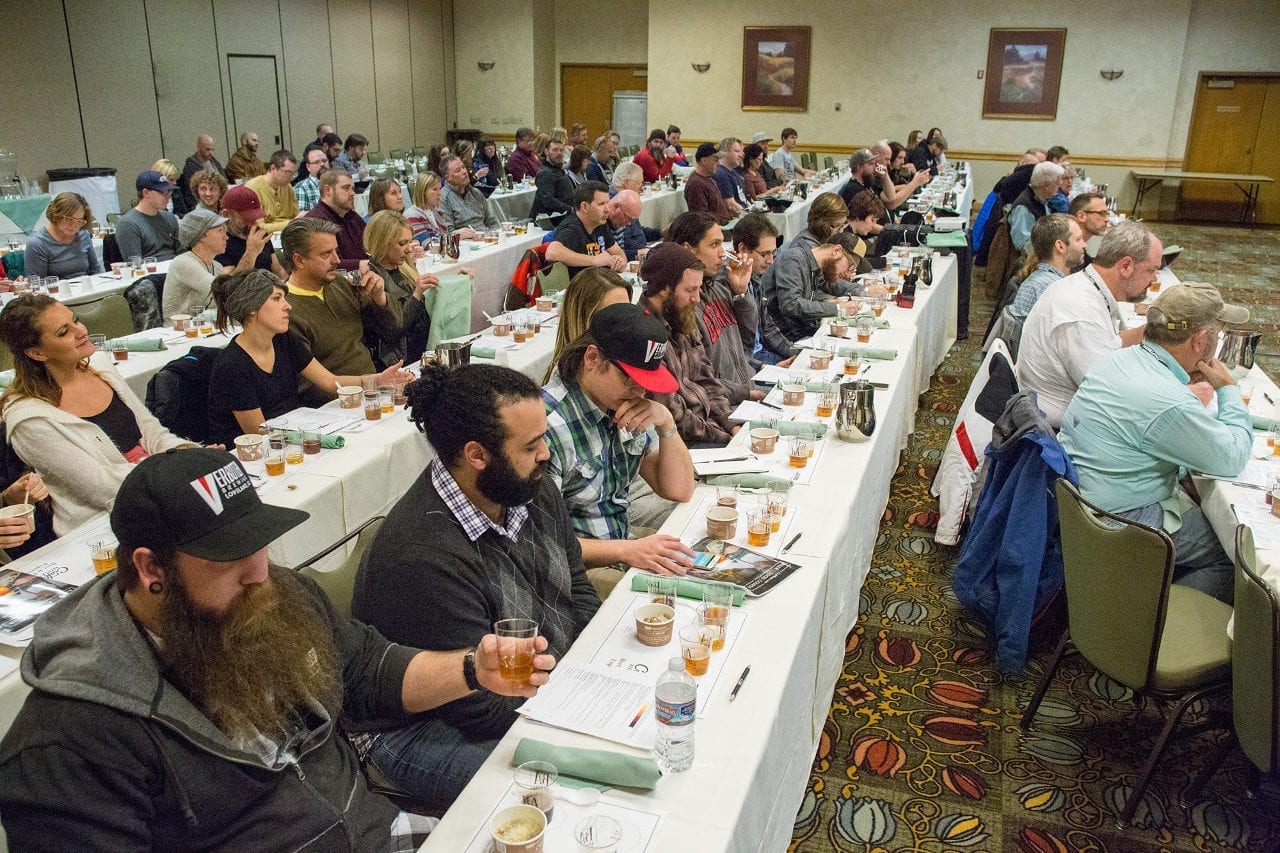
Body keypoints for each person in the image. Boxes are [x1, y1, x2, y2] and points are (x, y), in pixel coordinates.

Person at [0, 447, 557, 851]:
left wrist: (471, 670)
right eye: (230, 554)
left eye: (261, 542)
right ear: (150, 569)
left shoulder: (275, 597)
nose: (261, 572)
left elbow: (367, 671)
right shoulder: (67, 745)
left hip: (381, 835)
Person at [351, 364, 599, 810]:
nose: (546, 454)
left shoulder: (525, 484)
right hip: (422, 728)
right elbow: (479, 707)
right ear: (477, 455)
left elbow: (577, 588)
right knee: (565, 797)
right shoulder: (421, 555)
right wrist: (577, 705)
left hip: (537, 687)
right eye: (531, 445)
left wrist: (584, 681)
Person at [1060, 282, 1252, 604]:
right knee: (1238, 555)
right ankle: (1149, 621)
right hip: (1120, 527)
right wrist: (1228, 389)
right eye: (1217, 334)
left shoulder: (1120, 360)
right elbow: (1232, 456)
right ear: (1200, 341)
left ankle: (1149, 591)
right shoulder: (1167, 400)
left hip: (1083, 514)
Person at [0, 295, 194, 534]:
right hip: (105, 528)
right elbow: (104, 487)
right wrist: (181, 470)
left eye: (76, 321)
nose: (81, 331)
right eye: (64, 332)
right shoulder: (28, 418)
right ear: (36, 353)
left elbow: (153, 433)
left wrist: (190, 453)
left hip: (163, 490)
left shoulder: (101, 367)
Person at [543, 301, 696, 586]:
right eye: (630, 378)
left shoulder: (625, 405)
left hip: (621, 547)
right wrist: (628, 550)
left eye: (647, 381)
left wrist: (666, 423)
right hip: (574, 571)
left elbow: (679, 489)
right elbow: (545, 543)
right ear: (592, 358)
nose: (639, 391)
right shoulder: (547, 425)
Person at [206, 269, 411, 446]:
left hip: (292, 435)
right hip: (258, 455)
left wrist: (377, 380)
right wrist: (318, 438)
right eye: (277, 298)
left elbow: (330, 382)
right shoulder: (232, 366)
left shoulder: (284, 340)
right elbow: (260, 433)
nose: (288, 306)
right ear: (251, 308)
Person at [1017, 221, 1160, 428]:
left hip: (1061, 410)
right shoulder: (1080, 309)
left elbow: (1106, 347)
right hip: (1059, 429)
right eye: (1151, 270)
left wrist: (1149, 332)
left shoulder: (1085, 286)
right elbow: (1107, 393)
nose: (1154, 278)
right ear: (1126, 266)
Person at [280, 217, 404, 404]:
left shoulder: (341, 284)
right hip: (333, 403)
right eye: (325, 254)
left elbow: (393, 329)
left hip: (374, 388)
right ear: (299, 260)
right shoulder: (285, 310)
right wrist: (373, 383)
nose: (337, 260)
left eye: (336, 251)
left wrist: (380, 298)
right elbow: (309, 386)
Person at [640, 243, 738, 446]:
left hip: (709, 428)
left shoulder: (681, 315)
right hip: (681, 441)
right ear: (665, 288)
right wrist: (725, 437)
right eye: (691, 290)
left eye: (699, 288)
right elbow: (673, 414)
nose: (697, 298)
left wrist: (731, 424)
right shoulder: (644, 335)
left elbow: (707, 380)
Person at [667, 211, 760, 406]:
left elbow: (748, 338)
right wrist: (746, 393)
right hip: (723, 406)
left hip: (745, 393)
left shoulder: (719, 288)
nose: (722, 253)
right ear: (688, 249)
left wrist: (741, 292)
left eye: (722, 244)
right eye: (714, 244)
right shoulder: (682, 304)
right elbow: (695, 381)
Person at [761, 193, 861, 344]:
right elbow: (790, 305)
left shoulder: (816, 247)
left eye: (843, 226)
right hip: (785, 333)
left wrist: (857, 291)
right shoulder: (797, 255)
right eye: (838, 226)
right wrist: (837, 307)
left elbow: (820, 283)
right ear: (824, 224)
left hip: (796, 327)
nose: (841, 231)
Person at [365, 210, 437, 365]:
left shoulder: (404, 268)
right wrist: (417, 294)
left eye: (409, 242)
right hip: (400, 360)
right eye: (402, 244)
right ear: (382, 243)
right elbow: (393, 330)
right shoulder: (372, 280)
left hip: (421, 349)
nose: (409, 249)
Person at [543, 267, 632, 383]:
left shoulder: (626, 354)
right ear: (584, 318)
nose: (625, 322)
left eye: (628, 311)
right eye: (613, 315)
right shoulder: (567, 379)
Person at [731, 212, 790, 365]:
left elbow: (768, 329)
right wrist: (765, 368)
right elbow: (733, 352)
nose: (770, 261)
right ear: (742, 249)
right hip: (751, 364)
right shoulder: (726, 288)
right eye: (765, 254)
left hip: (763, 355)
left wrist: (795, 352)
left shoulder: (756, 279)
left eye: (773, 254)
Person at [1009, 214, 1087, 323]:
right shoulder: (1054, 289)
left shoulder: (1039, 279)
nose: (1084, 244)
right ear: (1060, 246)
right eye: (1078, 239)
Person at [546, 181, 627, 278]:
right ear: (584, 206)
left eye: (607, 203)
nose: (607, 209)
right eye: (601, 204)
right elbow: (551, 252)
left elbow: (619, 253)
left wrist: (620, 262)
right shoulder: (571, 229)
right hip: (578, 289)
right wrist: (594, 260)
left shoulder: (600, 224)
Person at [163, 208, 227, 321]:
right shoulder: (183, 263)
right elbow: (223, 291)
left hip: (205, 329)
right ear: (202, 236)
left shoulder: (217, 266)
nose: (226, 237)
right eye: (220, 231)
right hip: (179, 332)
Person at [24, 193, 102, 280]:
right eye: (69, 219)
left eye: (79, 221)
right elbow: (37, 284)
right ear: (56, 215)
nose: (74, 225)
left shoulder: (83, 234)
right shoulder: (37, 244)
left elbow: (95, 270)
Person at [216, 185, 286, 277]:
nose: (252, 224)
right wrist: (251, 253)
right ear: (226, 215)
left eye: (255, 218)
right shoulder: (218, 241)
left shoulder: (259, 233)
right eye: (246, 219)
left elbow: (279, 273)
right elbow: (227, 285)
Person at [304, 170, 368, 269]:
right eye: (346, 188)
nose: (353, 193)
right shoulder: (316, 221)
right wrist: (365, 265)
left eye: (353, 188)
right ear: (328, 190)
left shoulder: (351, 216)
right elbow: (327, 264)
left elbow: (372, 244)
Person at [116, 170, 182, 262]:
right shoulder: (128, 224)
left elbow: (181, 253)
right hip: (150, 273)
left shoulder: (169, 218)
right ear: (145, 193)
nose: (169, 197)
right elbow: (135, 265)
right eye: (163, 193)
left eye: (169, 192)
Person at [1008, 161, 1065, 252]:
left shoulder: (1041, 200)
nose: (1059, 187)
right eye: (1058, 184)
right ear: (1047, 185)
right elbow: (1022, 245)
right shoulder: (1024, 207)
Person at [440, 154, 498, 233]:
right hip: (464, 241)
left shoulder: (476, 193)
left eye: (463, 167)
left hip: (485, 237)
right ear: (447, 177)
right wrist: (459, 234)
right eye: (458, 170)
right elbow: (446, 232)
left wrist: (496, 234)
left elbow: (491, 221)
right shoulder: (443, 198)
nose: (464, 172)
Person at [244, 150, 299, 233]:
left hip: (288, 234)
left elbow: (295, 216)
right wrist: (291, 223)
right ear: (273, 168)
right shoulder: (252, 188)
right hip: (266, 238)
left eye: (293, 173)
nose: (291, 178)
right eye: (287, 173)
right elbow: (257, 227)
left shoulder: (287, 187)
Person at [606, 188, 660, 261]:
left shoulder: (624, 216)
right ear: (616, 207)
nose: (629, 223)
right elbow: (606, 254)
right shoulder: (601, 221)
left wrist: (659, 233)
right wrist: (638, 252)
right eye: (628, 218)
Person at [684, 142, 730, 225]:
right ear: (704, 160)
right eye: (715, 160)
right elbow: (701, 219)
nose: (718, 163)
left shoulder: (707, 178)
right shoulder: (696, 184)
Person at [529, 138, 575, 221]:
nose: (559, 153)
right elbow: (548, 201)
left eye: (561, 150)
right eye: (555, 150)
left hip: (562, 216)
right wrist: (571, 209)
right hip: (550, 220)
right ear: (546, 151)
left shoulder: (558, 170)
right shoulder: (545, 173)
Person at [178, 134, 225, 212]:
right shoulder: (190, 167)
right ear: (198, 147)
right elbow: (192, 192)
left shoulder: (214, 162)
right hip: (201, 204)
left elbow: (224, 180)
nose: (211, 153)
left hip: (218, 201)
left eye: (212, 150)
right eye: (207, 149)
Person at [1068, 191, 1111, 270]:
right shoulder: (1069, 252)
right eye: (1101, 213)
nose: (1107, 219)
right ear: (1081, 216)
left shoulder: (1081, 252)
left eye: (1106, 214)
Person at [404, 172, 450, 244]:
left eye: (439, 188)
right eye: (435, 189)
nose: (439, 193)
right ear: (423, 191)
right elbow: (427, 244)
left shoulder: (437, 211)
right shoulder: (412, 215)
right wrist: (453, 237)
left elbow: (446, 234)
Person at [712, 137, 749, 216]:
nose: (742, 155)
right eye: (737, 151)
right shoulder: (721, 174)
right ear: (724, 152)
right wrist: (749, 216)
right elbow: (730, 205)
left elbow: (743, 200)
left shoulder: (733, 172)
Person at [293, 147, 329, 212]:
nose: (322, 164)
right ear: (308, 167)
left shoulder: (337, 183)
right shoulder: (302, 188)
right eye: (316, 162)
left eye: (324, 161)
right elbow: (302, 220)